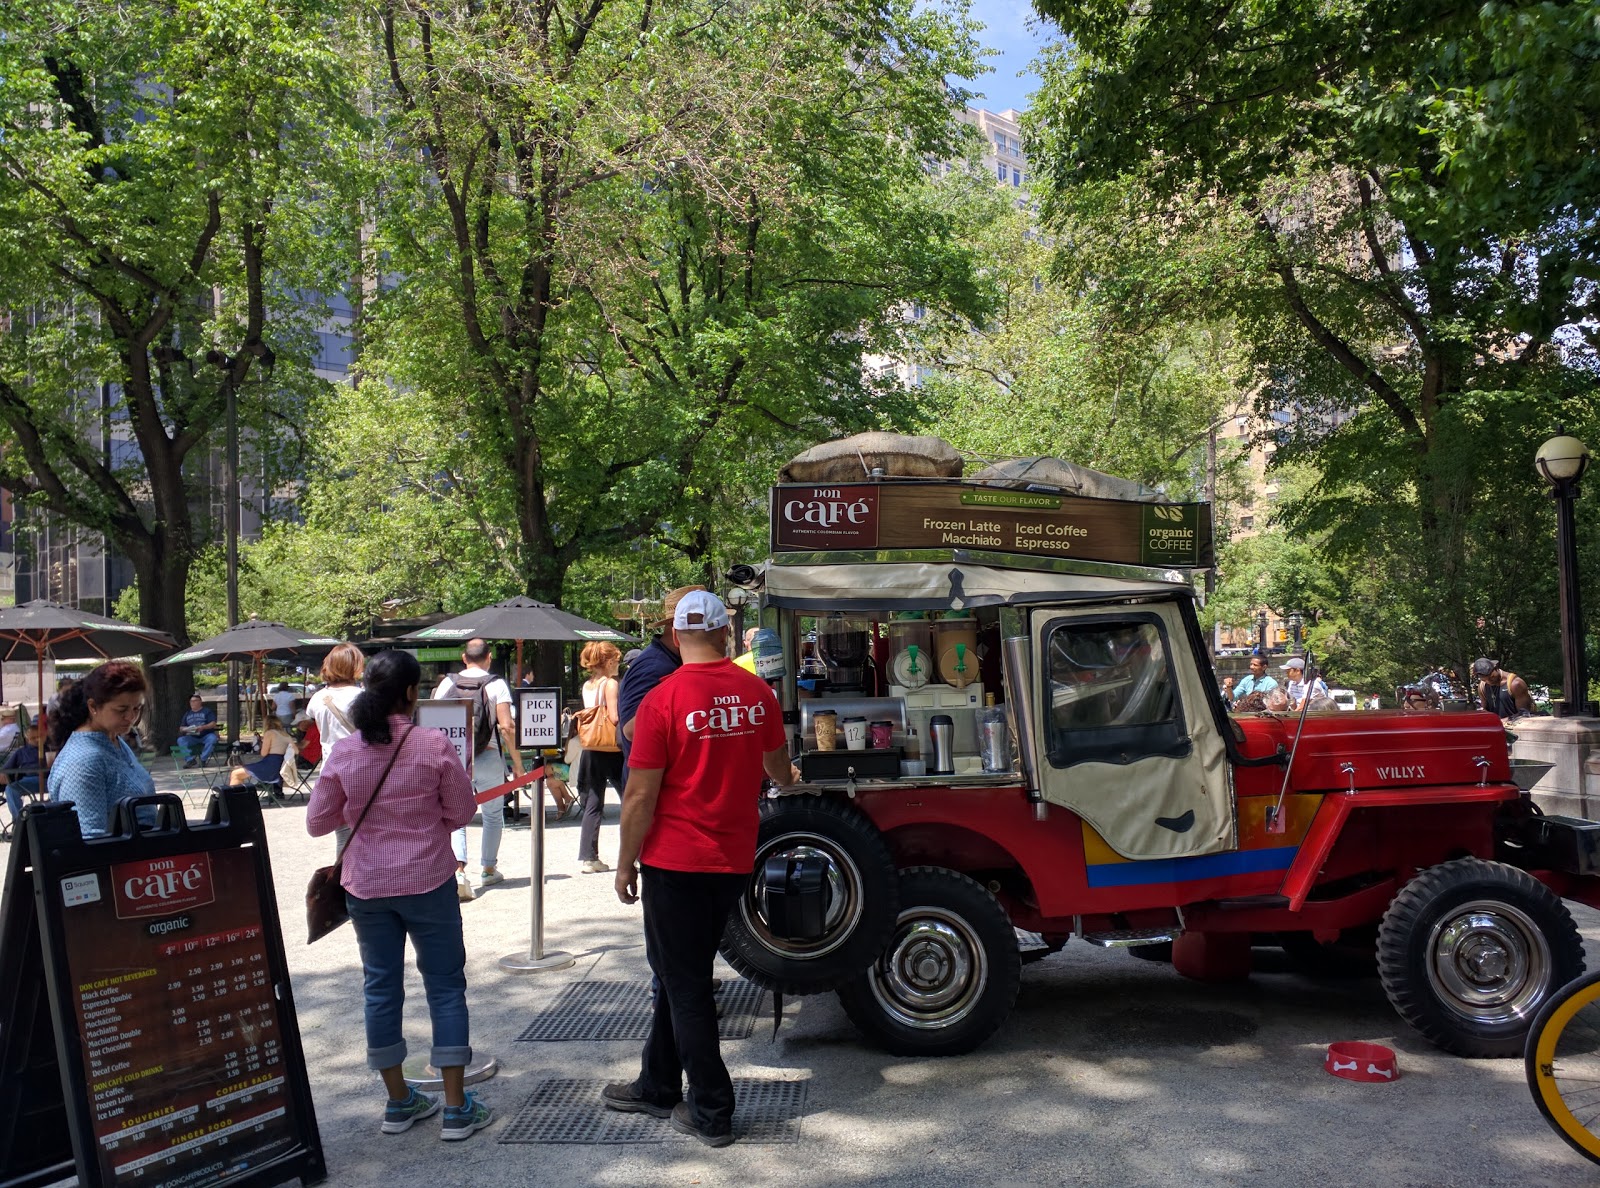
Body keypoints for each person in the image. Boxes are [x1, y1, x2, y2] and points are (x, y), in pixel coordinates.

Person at [604, 591, 796, 1148]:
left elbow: (640, 796)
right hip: (731, 860)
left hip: (673, 861)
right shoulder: (756, 692)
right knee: (680, 974)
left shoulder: (663, 701)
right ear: (723, 633)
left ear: (676, 635)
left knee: (683, 983)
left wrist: (623, 863)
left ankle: (711, 1108)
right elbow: (780, 771)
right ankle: (658, 1083)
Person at [305, 650, 491, 1142]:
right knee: (446, 986)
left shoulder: (346, 752)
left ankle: (398, 1101)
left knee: (380, 986)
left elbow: (317, 822)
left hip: (366, 888)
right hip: (429, 880)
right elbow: (461, 810)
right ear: (412, 693)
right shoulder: (432, 746)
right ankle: (455, 1108)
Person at [434, 639, 568, 899]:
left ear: (464, 658)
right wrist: (517, 765)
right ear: (489, 657)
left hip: (453, 759)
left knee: (455, 817)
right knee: (493, 815)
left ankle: (458, 870)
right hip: (488, 755)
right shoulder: (496, 684)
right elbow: (507, 727)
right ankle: (488, 868)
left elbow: (433, 721)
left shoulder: (447, 683)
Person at [47, 661, 156, 837]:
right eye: (121, 709)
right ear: (93, 707)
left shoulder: (114, 739)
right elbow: (89, 838)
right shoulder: (83, 761)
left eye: (137, 708)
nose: (131, 717)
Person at [617, 586, 706, 774]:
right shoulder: (654, 666)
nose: (710, 632)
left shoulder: (670, 661)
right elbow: (632, 730)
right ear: (677, 628)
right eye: (705, 624)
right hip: (654, 788)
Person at [575, 641, 623, 874]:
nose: (618, 665)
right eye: (616, 660)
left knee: (593, 804)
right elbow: (614, 718)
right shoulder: (610, 684)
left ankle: (589, 857)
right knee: (631, 799)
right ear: (609, 661)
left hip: (591, 748)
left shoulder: (588, 685)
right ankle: (637, 853)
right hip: (611, 748)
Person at [2, 725, 43, 824]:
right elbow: (6, 769)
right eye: (33, 738)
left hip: (49, 780)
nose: (37, 740)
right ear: (27, 739)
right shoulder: (21, 752)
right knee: (10, 789)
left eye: (39, 737)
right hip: (29, 781)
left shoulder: (49, 748)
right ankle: (19, 822)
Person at [176, 693, 220, 766]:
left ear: (200, 702)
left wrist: (203, 727)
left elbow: (213, 724)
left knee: (212, 738)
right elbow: (181, 727)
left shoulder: (207, 711)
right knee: (181, 740)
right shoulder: (188, 713)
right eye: (191, 701)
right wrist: (187, 729)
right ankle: (190, 760)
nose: (192, 703)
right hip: (192, 736)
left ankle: (203, 759)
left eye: (195, 701)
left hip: (206, 735)